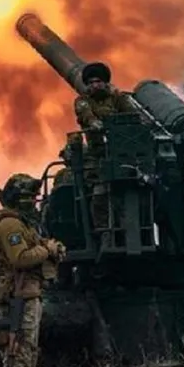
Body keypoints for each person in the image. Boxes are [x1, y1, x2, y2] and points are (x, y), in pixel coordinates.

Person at [0, 173, 66, 367]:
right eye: (29, 197)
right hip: (18, 297)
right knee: (19, 353)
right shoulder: (10, 226)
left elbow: (36, 246)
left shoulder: (22, 225)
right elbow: (20, 258)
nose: (33, 201)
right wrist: (47, 250)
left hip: (27, 294)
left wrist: (52, 247)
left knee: (26, 351)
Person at [73, 62, 138, 247]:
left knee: (127, 195)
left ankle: (128, 233)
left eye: (99, 81)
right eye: (91, 82)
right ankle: (104, 235)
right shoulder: (83, 100)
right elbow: (86, 115)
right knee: (99, 195)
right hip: (97, 156)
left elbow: (132, 115)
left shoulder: (118, 97)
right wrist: (95, 124)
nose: (95, 85)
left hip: (121, 156)